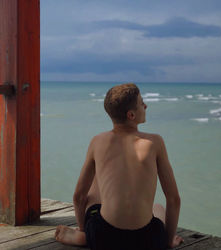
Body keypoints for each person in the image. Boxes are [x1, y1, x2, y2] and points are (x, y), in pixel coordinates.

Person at [55, 83, 183, 250]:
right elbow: (174, 200)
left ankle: (83, 237)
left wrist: (83, 229)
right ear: (131, 115)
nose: (146, 106)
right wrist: (167, 241)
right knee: (158, 208)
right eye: (142, 103)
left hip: (104, 238)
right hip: (147, 241)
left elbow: (79, 197)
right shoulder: (154, 142)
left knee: (95, 182)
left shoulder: (97, 142)